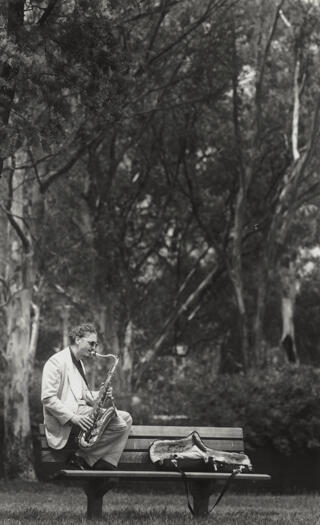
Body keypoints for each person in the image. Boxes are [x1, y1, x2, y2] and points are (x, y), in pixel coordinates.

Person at [41, 322, 132, 470]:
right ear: (78, 339)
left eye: (95, 345)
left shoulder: (79, 363)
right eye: (91, 343)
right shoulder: (56, 362)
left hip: (82, 411)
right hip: (67, 419)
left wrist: (100, 394)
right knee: (120, 423)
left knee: (126, 418)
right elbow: (48, 399)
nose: (94, 349)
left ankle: (105, 463)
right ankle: (87, 459)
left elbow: (83, 394)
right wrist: (74, 418)